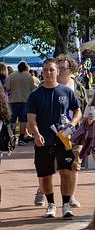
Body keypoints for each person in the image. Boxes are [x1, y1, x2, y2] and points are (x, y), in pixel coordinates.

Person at [25, 59, 82, 219]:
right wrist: (36, 134)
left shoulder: (66, 91)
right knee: (45, 175)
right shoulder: (35, 95)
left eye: (51, 70)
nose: (48, 73)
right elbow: (31, 118)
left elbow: (78, 110)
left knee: (66, 171)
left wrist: (72, 124)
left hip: (63, 139)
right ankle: (51, 204)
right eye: (45, 70)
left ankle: (65, 204)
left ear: (58, 72)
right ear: (42, 72)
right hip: (43, 141)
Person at [6, 61, 37, 142]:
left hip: (13, 101)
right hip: (25, 101)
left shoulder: (11, 76)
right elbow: (33, 89)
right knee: (23, 121)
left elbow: (7, 88)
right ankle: (21, 139)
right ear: (25, 68)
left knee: (12, 120)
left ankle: (11, 137)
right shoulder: (29, 76)